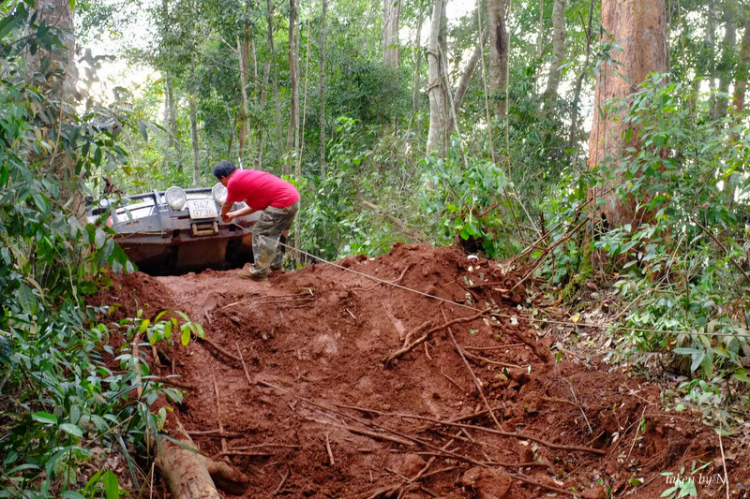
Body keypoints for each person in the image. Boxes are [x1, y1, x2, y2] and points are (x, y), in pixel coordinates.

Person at [213, 160, 300, 281]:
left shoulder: (233, 182)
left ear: (222, 178)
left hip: (282, 202)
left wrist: (223, 214)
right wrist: (233, 214)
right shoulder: (245, 176)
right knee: (278, 233)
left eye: (220, 181)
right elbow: (254, 206)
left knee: (260, 231)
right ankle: (277, 266)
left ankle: (259, 272)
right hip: (293, 199)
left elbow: (227, 204)